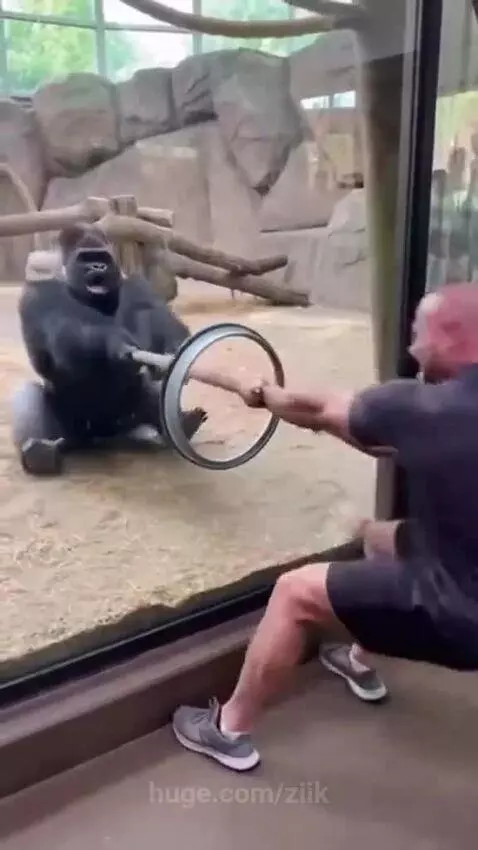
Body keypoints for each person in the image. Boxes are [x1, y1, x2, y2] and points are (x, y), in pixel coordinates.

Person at [172, 283, 478, 772]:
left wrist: (263, 394)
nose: (411, 346)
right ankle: (358, 659)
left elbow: (318, 411)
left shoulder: (420, 407)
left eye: (418, 334)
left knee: (295, 592)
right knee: (383, 537)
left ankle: (229, 729)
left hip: (463, 619)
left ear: (448, 337)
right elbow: (391, 448)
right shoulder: (432, 416)